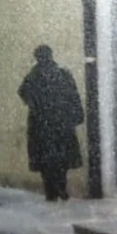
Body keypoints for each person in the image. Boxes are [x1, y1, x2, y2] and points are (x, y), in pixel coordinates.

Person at [18, 45, 84, 201]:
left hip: (41, 125)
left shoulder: (33, 76)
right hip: (61, 123)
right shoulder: (63, 74)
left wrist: (36, 105)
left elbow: (23, 93)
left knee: (45, 160)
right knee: (61, 158)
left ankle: (51, 190)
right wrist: (76, 115)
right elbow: (74, 96)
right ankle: (60, 185)